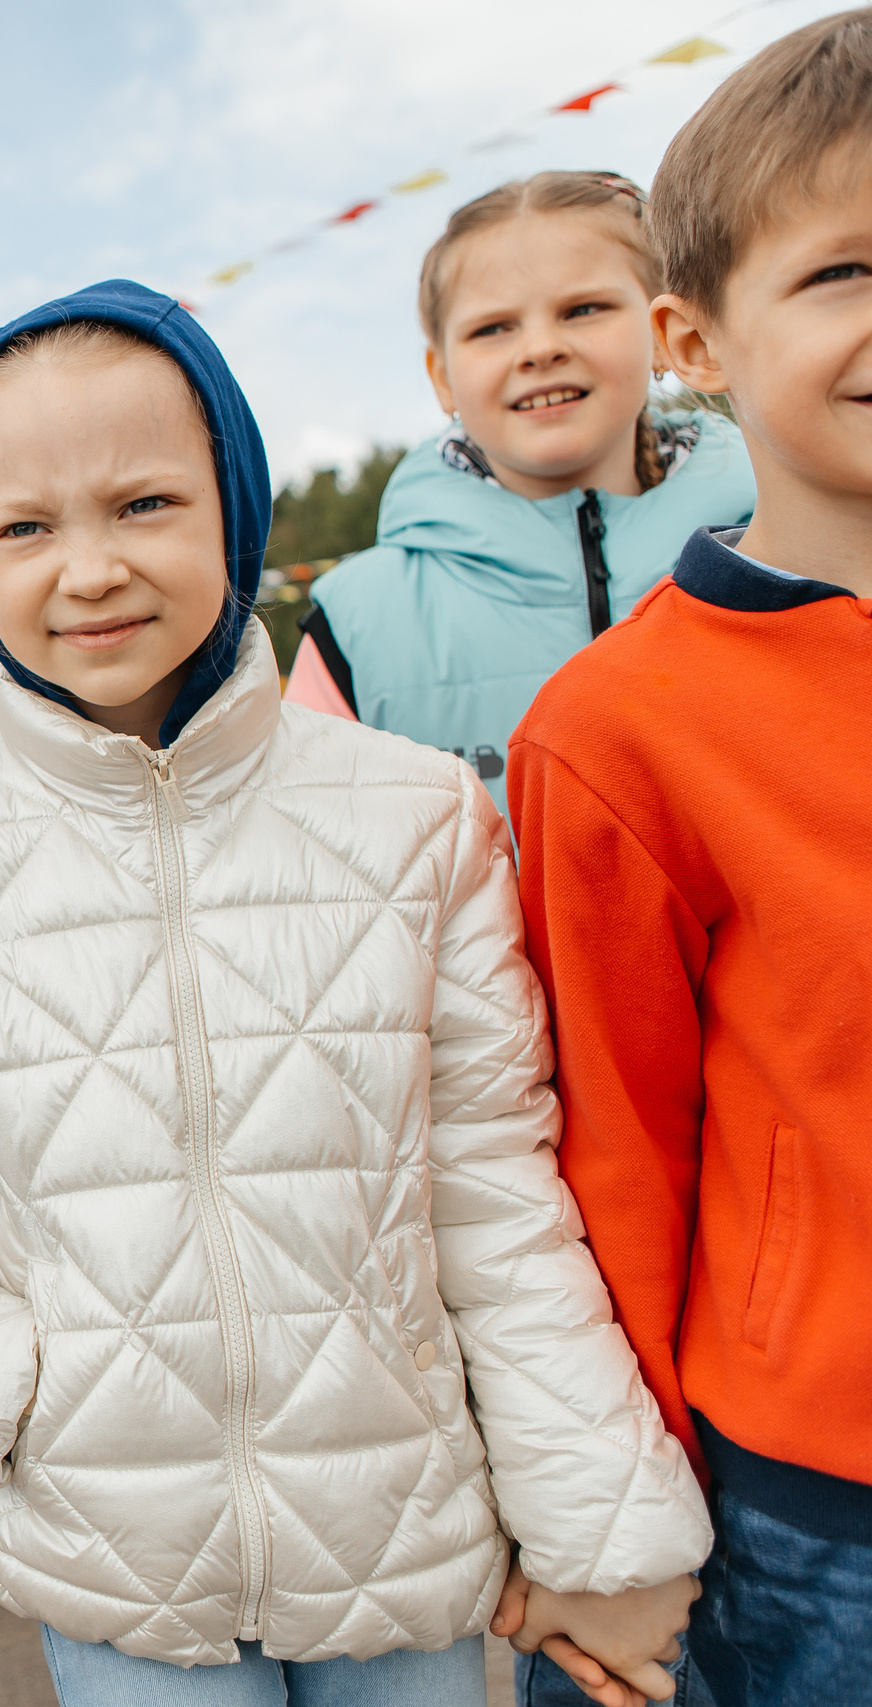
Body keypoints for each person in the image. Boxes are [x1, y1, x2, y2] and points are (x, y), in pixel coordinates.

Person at [0, 280, 714, 1706]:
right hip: (114, 1550)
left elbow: (496, 1186)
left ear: (238, 508)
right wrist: (5, 1386)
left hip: (405, 1535)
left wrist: (599, 1517)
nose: (86, 568)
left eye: (144, 502)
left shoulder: (417, 814)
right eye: (24, 526)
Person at [509, 15, 872, 1705]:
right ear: (697, 339)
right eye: (847, 267)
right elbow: (618, 1159)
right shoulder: (621, 727)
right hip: (818, 1497)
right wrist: (622, 1521)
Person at [287, 171, 756, 810]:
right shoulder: (358, 624)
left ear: (661, 333)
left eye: (582, 310)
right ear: (442, 376)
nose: (539, 348)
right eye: (493, 329)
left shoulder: (780, 550)